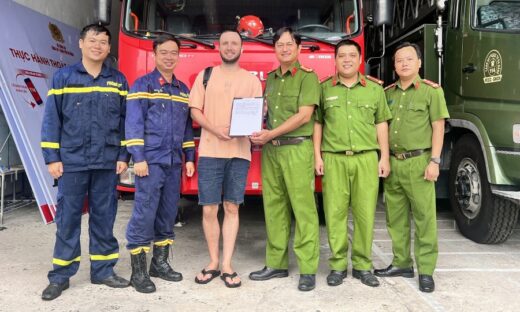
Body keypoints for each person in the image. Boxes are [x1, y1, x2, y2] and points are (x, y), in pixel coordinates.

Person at [40, 24, 130, 301]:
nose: (98, 45)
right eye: (93, 40)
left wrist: (123, 156)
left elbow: (126, 122)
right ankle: (61, 275)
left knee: (104, 217)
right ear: (80, 43)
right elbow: (51, 120)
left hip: (106, 162)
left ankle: (103, 270)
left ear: (109, 47)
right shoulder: (64, 77)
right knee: (68, 218)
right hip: (72, 161)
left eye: (103, 41)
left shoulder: (117, 80)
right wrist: (52, 158)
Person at [314, 39, 391, 288]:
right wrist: (317, 155)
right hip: (334, 159)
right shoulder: (324, 88)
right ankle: (337, 266)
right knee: (334, 214)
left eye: (351, 55)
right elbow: (318, 124)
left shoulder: (374, 89)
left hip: (366, 159)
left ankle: (362, 265)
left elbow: (381, 124)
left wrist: (385, 157)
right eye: (341, 56)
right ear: (334, 60)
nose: (346, 59)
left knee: (365, 214)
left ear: (359, 59)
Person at [374, 42, 449, 293]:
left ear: (419, 62)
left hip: (420, 162)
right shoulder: (388, 93)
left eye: (408, 59)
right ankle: (401, 262)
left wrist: (435, 161)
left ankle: (426, 270)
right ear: (394, 66)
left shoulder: (431, 92)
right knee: (396, 219)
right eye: (398, 60)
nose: (403, 63)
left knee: (424, 218)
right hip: (394, 161)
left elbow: (438, 127)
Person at [189, 30, 262, 288]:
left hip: (240, 153)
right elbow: (195, 110)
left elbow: (256, 114)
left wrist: (252, 127)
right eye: (225, 43)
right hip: (210, 152)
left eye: (235, 43)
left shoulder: (252, 81)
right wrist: (213, 129)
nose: (230, 47)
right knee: (209, 208)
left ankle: (227, 264)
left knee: (232, 207)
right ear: (218, 47)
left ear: (242, 49)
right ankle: (213, 262)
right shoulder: (206, 76)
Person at [249, 27, 320, 291]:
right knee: (274, 208)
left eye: (289, 44)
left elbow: (304, 116)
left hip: (296, 149)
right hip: (272, 151)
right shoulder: (272, 78)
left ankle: (308, 269)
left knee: (303, 210)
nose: (285, 48)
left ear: (299, 48)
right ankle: (276, 264)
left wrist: (270, 134)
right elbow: (266, 112)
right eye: (280, 44)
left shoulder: (307, 78)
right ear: (275, 48)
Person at [125, 35, 195, 293]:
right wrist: (138, 158)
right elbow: (133, 124)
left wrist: (190, 158)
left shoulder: (182, 90)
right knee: (144, 215)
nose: (169, 56)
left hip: (174, 163)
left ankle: (160, 264)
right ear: (155, 55)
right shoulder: (142, 85)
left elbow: (187, 127)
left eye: (173, 52)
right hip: (150, 162)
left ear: (179, 56)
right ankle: (139, 272)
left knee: (167, 213)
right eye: (163, 52)